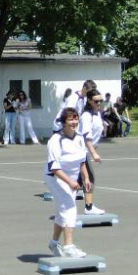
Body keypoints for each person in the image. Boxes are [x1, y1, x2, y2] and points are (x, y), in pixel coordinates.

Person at [45, 107, 91, 258]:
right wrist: (71, 181)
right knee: (70, 209)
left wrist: (86, 178)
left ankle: (53, 243)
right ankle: (69, 246)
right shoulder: (55, 140)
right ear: (63, 122)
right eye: (70, 119)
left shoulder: (79, 138)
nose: (74, 121)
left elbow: (82, 161)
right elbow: (54, 168)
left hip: (71, 179)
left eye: (76, 118)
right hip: (55, 178)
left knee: (62, 211)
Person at [78, 89, 106, 215]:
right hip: (80, 151)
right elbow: (86, 137)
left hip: (86, 151)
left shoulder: (96, 113)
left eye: (101, 100)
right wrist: (93, 153)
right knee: (90, 177)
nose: (99, 103)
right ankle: (89, 207)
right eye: (96, 101)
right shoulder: (86, 116)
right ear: (89, 101)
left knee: (79, 179)